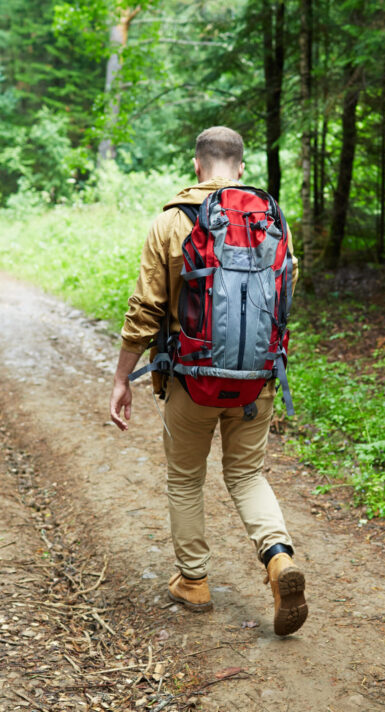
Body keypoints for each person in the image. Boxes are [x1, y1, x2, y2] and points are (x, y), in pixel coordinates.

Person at [108, 126, 308, 637]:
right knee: (247, 474)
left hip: (190, 381)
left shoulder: (173, 221)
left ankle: (194, 581)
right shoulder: (272, 220)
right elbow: (286, 294)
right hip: (255, 382)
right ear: (239, 167)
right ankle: (279, 558)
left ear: (197, 166)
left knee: (185, 477)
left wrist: (122, 377)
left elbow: (146, 308)